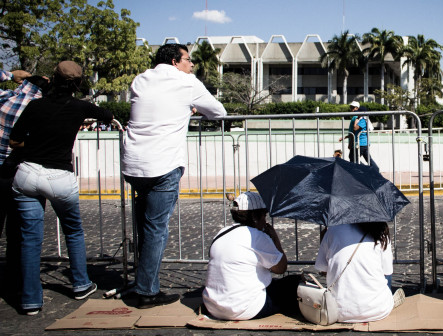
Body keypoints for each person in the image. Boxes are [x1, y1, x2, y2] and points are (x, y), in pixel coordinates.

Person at [121, 43, 226, 309]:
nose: (192, 65)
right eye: (188, 60)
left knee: (144, 226)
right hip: (163, 163)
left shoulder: (141, 79)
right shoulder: (186, 82)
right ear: (175, 61)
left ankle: (142, 280)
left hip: (134, 164)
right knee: (156, 228)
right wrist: (191, 108)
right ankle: (147, 290)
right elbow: (218, 112)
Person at [9, 61, 113, 315]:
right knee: (73, 232)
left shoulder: (35, 106)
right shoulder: (80, 107)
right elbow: (108, 115)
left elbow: (15, 140)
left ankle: (31, 300)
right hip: (60, 176)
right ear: (77, 84)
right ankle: (80, 284)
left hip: (29, 173)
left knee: (30, 239)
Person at [202, 192, 300, 320]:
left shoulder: (221, 233)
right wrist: (274, 238)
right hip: (245, 308)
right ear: (255, 217)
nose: (265, 221)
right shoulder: (257, 236)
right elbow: (280, 268)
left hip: (213, 307)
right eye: (264, 216)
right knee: (294, 283)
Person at [0, 69, 48, 295]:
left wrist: (9, 74)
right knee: (19, 229)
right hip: (18, 170)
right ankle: (16, 279)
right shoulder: (37, 108)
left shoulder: (6, 98)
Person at [314, 222, 404, 323]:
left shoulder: (332, 231)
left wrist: (324, 238)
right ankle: (385, 299)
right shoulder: (380, 231)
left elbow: (322, 268)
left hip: (337, 312)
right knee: (386, 279)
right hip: (378, 310)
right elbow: (387, 271)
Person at [339, 101, 379, 171]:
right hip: (361, 143)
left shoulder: (362, 119)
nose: (352, 109)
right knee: (364, 159)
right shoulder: (361, 119)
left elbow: (355, 129)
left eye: (353, 108)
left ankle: (368, 170)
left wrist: (356, 120)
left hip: (361, 143)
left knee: (354, 159)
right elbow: (353, 132)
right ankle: (373, 170)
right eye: (351, 107)